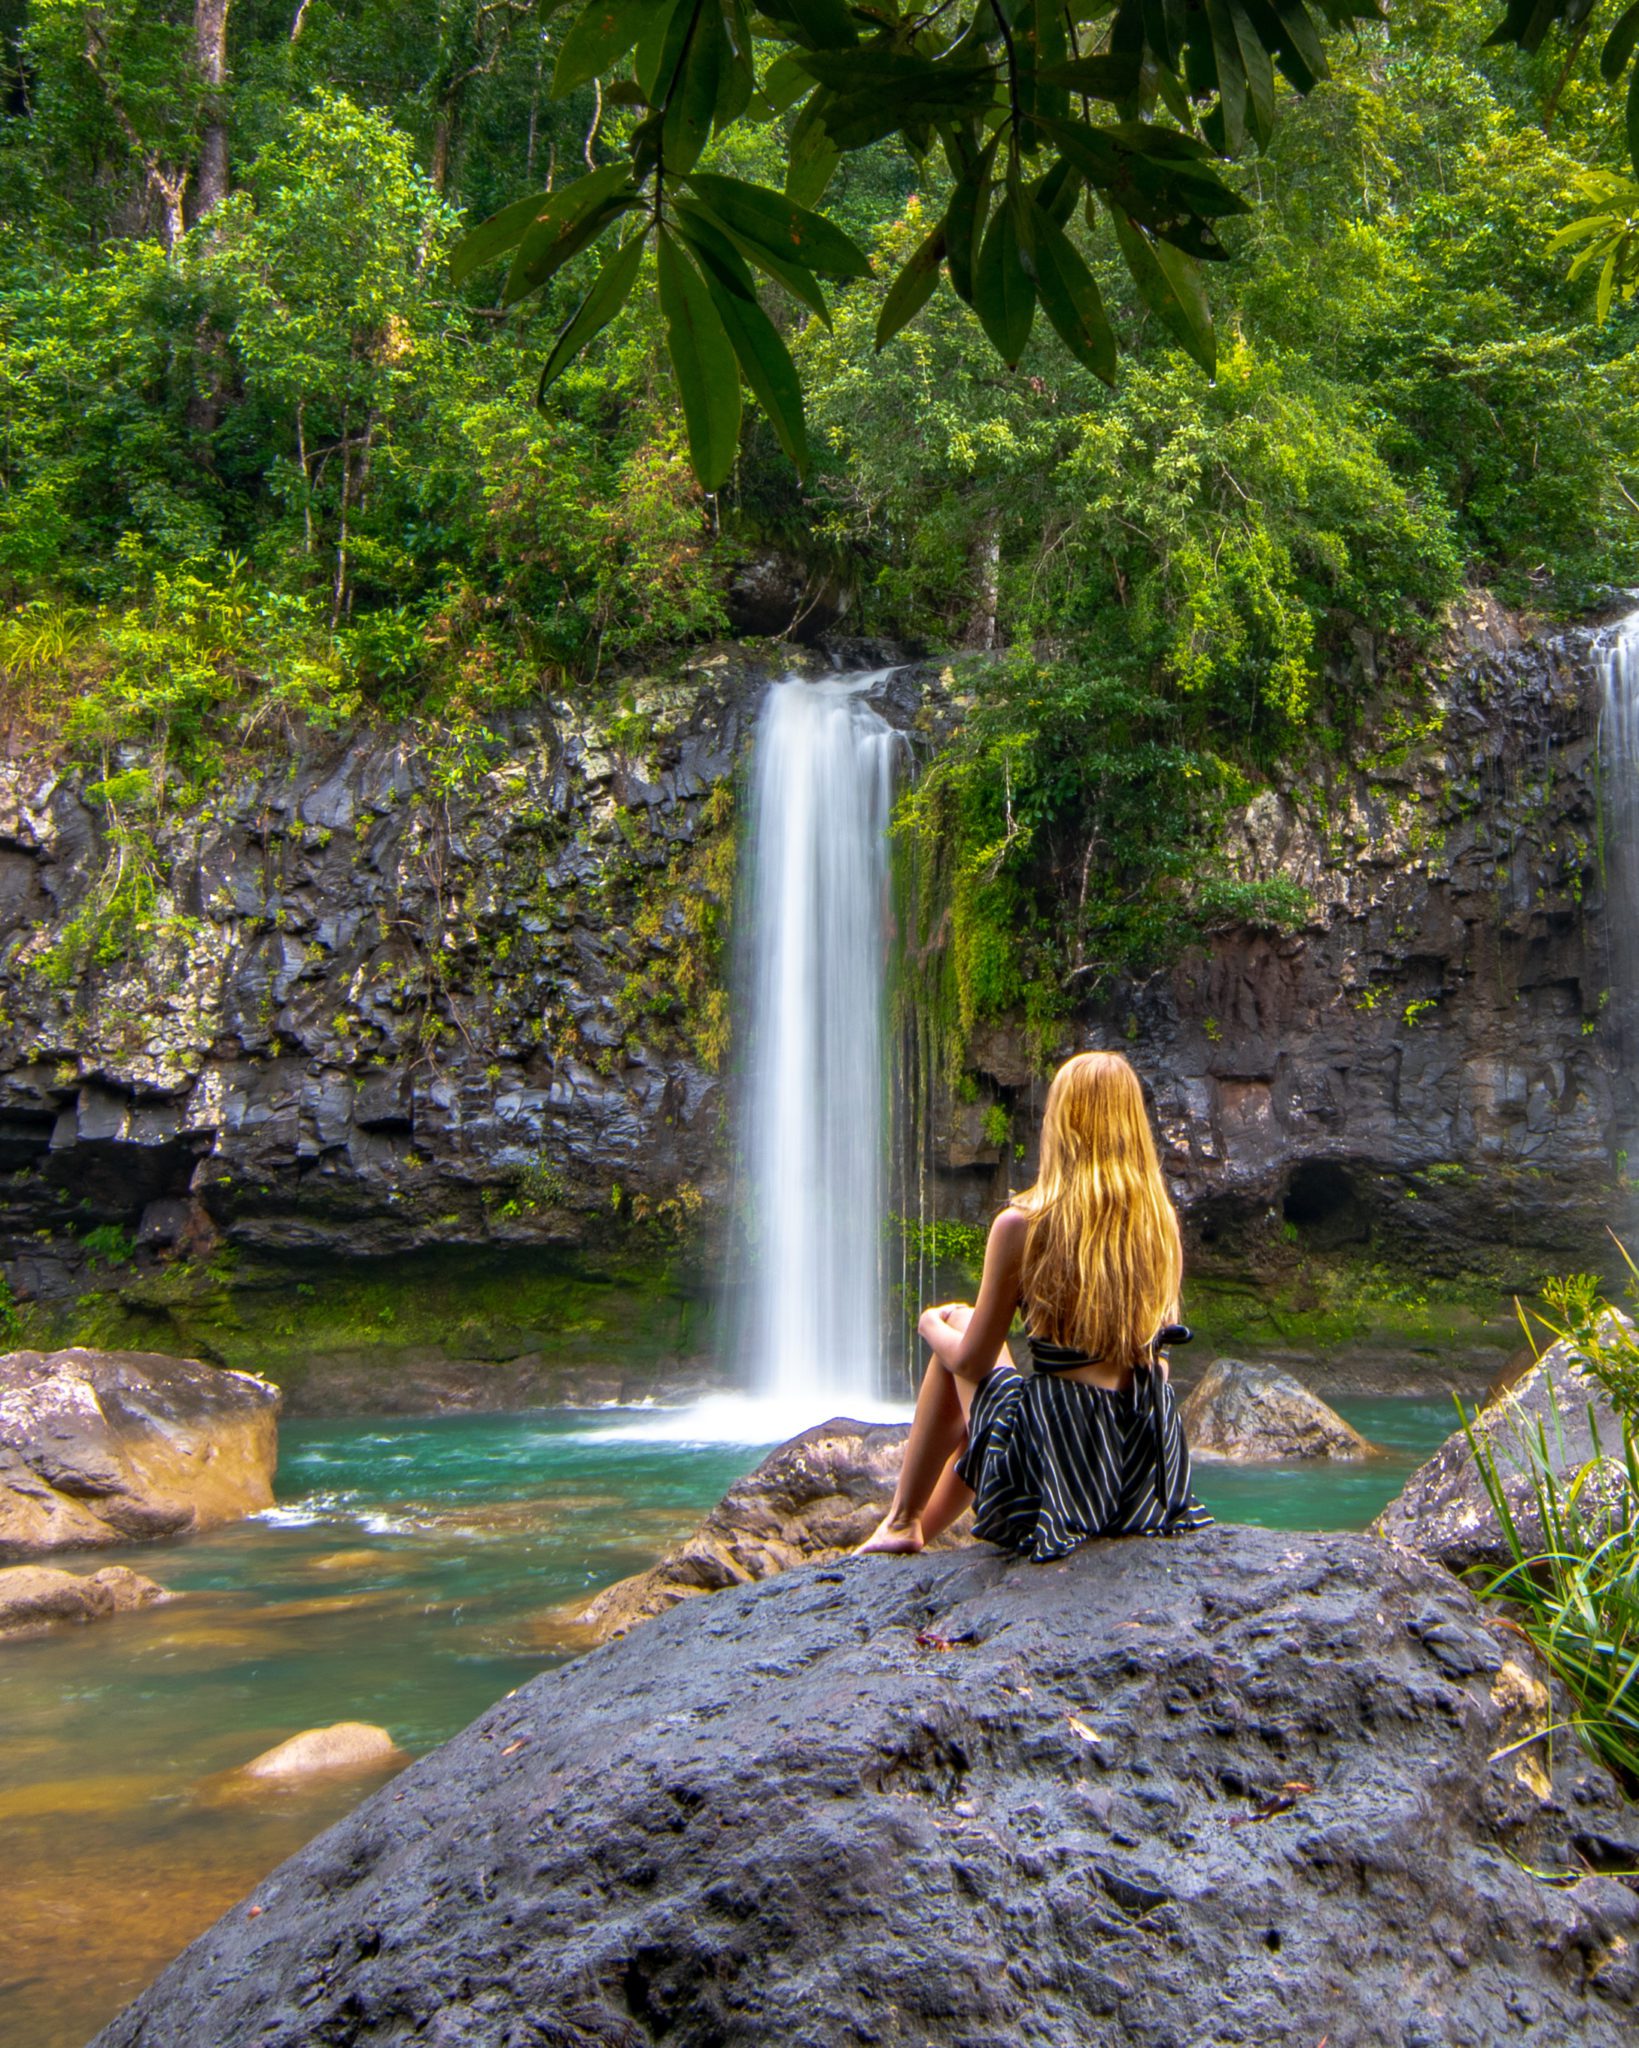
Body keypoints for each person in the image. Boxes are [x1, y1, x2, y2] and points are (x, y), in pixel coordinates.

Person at [859, 1049, 1212, 1561]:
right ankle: (911, 1529)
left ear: (1061, 1124)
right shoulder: (1159, 1224)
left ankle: (903, 1521)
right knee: (976, 1366)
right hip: (1142, 1465)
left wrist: (928, 1324)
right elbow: (1158, 1360)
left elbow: (972, 1363)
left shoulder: (1024, 1225)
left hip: (1056, 1455)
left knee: (956, 1329)